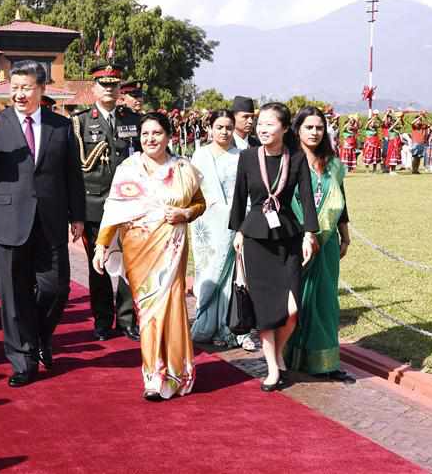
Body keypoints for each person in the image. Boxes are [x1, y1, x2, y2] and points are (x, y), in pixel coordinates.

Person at [0, 60, 85, 387]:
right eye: (15, 88)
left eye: (26, 88)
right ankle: (22, 361)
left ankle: (39, 337)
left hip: (50, 221)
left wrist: (76, 215)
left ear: (41, 89)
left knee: (56, 287)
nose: (19, 94)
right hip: (11, 219)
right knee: (13, 294)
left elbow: (72, 175)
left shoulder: (60, 126)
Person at [93, 112, 205, 400]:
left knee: (172, 306)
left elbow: (199, 203)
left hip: (173, 245)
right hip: (138, 248)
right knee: (148, 311)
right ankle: (154, 375)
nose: (150, 139)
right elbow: (113, 211)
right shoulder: (128, 168)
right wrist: (102, 245)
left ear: (168, 136)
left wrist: (185, 213)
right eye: (145, 134)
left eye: (156, 133)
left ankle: (178, 373)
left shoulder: (183, 167)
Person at [229, 102, 318, 392]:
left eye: (270, 124)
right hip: (255, 238)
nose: (263, 129)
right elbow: (239, 198)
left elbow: (306, 198)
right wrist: (238, 232)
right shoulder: (247, 157)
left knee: (292, 308)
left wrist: (309, 234)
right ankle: (271, 367)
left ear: (283, 127)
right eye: (260, 124)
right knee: (266, 309)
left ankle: (279, 352)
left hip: (288, 238)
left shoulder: (296, 158)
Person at [70, 63, 141, 342]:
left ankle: (126, 319)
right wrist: (74, 213)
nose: (109, 88)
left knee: (128, 263)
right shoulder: (81, 122)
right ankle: (101, 320)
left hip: (129, 206)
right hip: (94, 205)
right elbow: (75, 171)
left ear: (120, 88)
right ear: (93, 88)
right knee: (97, 266)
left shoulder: (133, 120)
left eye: (114, 84)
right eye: (103, 84)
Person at [284, 107, 354, 382]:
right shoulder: (288, 161)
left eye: (319, 128)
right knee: (297, 301)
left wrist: (345, 235)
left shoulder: (333, 165)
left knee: (325, 301)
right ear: (297, 130)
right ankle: (289, 356)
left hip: (326, 243)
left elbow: (341, 202)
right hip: (295, 241)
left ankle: (325, 362)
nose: (314, 132)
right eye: (308, 127)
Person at [189, 109, 255, 350]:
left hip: (235, 222)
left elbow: (247, 191)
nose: (224, 132)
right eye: (220, 127)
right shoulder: (200, 155)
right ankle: (206, 323)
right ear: (210, 128)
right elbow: (194, 191)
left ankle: (228, 326)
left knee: (231, 274)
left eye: (228, 127)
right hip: (206, 223)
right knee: (209, 269)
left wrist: (240, 218)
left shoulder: (242, 156)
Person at [384, 110, 403, 175]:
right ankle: (391, 170)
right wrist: (396, 121)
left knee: (396, 155)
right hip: (392, 141)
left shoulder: (396, 124)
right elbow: (390, 129)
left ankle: (393, 170)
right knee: (392, 155)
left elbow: (401, 126)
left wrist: (400, 119)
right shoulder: (389, 124)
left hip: (397, 140)